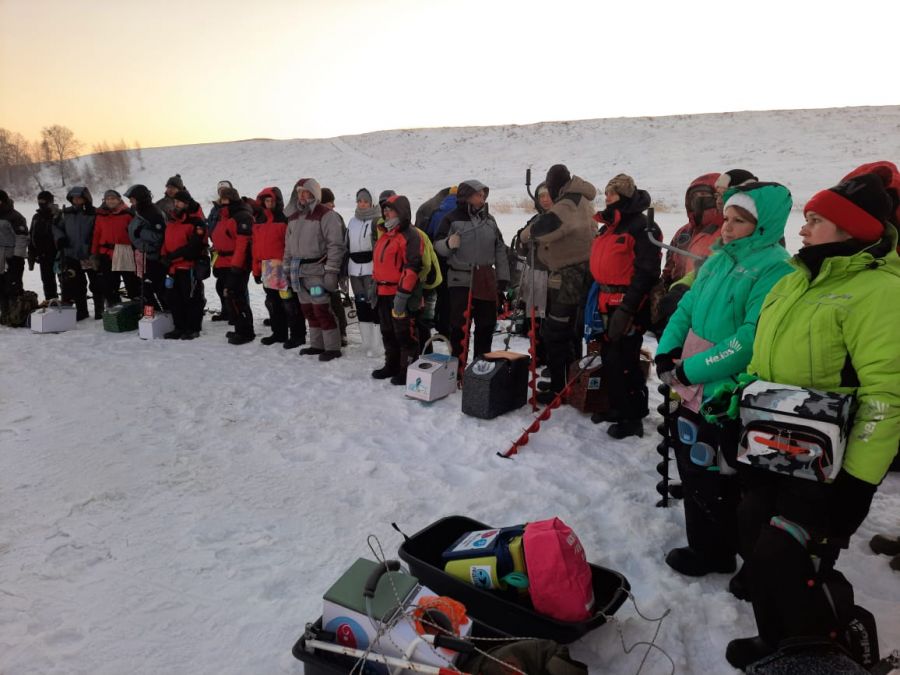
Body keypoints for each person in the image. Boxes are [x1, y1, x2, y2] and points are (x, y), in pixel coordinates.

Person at [726, 172, 900, 670]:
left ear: (848, 230)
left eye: (816, 221)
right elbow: (762, 363)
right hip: (769, 445)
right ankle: (773, 640)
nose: (803, 231)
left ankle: (817, 652)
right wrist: (733, 411)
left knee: (787, 556)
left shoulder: (879, 292)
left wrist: (857, 485)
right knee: (754, 536)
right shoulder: (795, 279)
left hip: (826, 463)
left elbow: (887, 397)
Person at [655, 182, 793, 578]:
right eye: (727, 218)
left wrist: (689, 370)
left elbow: (748, 340)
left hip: (724, 391)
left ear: (763, 224)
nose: (727, 228)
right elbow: (687, 307)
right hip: (690, 384)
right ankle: (705, 546)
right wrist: (667, 351)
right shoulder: (716, 260)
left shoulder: (775, 269)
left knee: (718, 474)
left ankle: (721, 551)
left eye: (739, 221)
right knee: (691, 463)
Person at [588, 173, 661, 438]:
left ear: (625, 195)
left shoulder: (641, 227)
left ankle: (634, 416)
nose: (606, 197)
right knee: (609, 358)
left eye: (612, 193)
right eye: (606, 192)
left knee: (626, 360)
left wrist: (629, 308)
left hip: (628, 302)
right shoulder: (608, 226)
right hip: (605, 300)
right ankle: (617, 407)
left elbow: (647, 271)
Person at [517, 165, 597, 403]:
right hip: (578, 274)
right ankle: (569, 381)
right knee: (568, 331)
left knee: (556, 333)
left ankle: (559, 388)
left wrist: (524, 235)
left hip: (568, 278)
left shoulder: (567, 203)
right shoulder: (581, 198)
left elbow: (547, 227)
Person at [433, 179, 509, 363]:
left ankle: (480, 369)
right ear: (466, 196)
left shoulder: (490, 221)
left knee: (486, 326)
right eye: (478, 194)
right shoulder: (451, 218)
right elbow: (437, 245)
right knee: (459, 328)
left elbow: (499, 248)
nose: (482, 198)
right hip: (460, 280)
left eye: (483, 195)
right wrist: (448, 244)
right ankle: (457, 370)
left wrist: (503, 278)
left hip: (485, 280)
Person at [283, 178, 347, 361]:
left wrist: (331, 271)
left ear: (314, 193)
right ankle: (317, 345)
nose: (302, 196)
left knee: (321, 309)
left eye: (306, 191)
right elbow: (288, 246)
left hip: (317, 272)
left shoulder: (326, 215)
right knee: (308, 310)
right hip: (298, 272)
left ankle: (332, 347)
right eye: (299, 192)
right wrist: (286, 269)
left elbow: (336, 245)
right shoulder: (293, 218)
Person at [653, 173, 724, 333]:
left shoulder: (726, 232)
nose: (699, 200)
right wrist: (662, 290)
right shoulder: (683, 232)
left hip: (707, 305)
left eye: (705, 195)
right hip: (675, 301)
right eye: (695, 195)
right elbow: (670, 264)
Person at [371, 194, 425, 384]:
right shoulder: (385, 234)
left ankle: (407, 370)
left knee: (405, 334)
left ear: (401, 212)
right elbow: (379, 264)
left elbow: (412, 267)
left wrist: (403, 295)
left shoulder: (410, 235)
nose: (385, 213)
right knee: (388, 332)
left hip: (401, 293)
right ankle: (391, 365)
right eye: (384, 210)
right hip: (383, 292)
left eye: (390, 209)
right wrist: (374, 284)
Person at [252, 186, 305, 348]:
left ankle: (297, 335)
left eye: (271, 200)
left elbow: (292, 244)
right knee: (273, 303)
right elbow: (255, 247)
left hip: (283, 266)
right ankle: (279, 333)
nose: (268, 203)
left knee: (289, 303)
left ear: (277, 201)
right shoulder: (259, 220)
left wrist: (291, 266)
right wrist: (256, 269)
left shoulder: (285, 219)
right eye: (265, 201)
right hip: (267, 267)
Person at [159, 190, 208, 339]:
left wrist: (172, 257)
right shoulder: (172, 222)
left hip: (188, 267)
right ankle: (179, 327)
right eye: (175, 202)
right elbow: (166, 241)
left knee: (192, 299)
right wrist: (163, 256)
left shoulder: (196, 222)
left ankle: (193, 328)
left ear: (186, 203)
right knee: (174, 299)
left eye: (179, 202)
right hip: (173, 268)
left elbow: (194, 247)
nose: (176, 205)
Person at [53, 186, 98, 320]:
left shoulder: (93, 213)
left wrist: (93, 240)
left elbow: (99, 228)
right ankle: (82, 311)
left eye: (79, 198)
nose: (77, 200)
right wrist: (60, 237)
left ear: (86, 198)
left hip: (89, 253)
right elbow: (55, 227)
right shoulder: (66, 213)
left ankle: (99, 311)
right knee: (77, 284)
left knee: (96, 284)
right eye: (74, 198)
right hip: (71, 253)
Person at [347, 188, 382, 357]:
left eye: (365, 201)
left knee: (373, 303)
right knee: (361, 304)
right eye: (359, 201)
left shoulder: (377, 221)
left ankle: (377, 345)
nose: (362, 204)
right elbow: (347, 245)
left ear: (372, 203)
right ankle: (366, 342)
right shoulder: (352, 222)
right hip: (355, 269)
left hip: (371, 268)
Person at [218, 187, 256, 345]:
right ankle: (240, 328)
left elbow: (243, 244)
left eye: (224, 199)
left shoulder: (241, 216)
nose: (221, 202)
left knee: (235, 296)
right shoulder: (229, 215)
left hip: (239, 264)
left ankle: (246, 331)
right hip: (229, 261)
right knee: (230, 295)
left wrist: (236, 266)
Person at [92, 189, 140, 308]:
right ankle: (114, 309)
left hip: (124, 251)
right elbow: (96, 234)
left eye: (113, 198)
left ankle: (135, 308)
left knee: (131, 283)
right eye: (108, 199)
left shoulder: (127, 214)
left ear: (119, 200)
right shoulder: (100, 215)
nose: (110, 201)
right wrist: (94, 253)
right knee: (109, 284)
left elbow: (134, 234)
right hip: (105, 252)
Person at [125, 184, 167, 312]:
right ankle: (150, 315)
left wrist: (140, 233)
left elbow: (160, 235)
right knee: (145, 288)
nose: (130, 201)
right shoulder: (140, 210)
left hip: (153, 257)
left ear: (139, 198)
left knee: (155, 288)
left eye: (132, 198)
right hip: (143, 254)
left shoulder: (152, 212)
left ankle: (165, 313)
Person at [321, 187, 349, 347]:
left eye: (332, 202)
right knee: (321, 299)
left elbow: (341, 243)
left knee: (333, 297)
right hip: (319, 266)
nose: (333, 205)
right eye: (329, 203)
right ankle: (328, 332)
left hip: (332, 265)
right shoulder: (316, 217)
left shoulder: (335, 217)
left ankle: (341, 331)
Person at [0, 190, 29, 324]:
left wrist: (18, 257)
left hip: (12, 256)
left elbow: (22, 237)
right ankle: (4, 314)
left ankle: (15, 315)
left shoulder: (15, 217)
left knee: (13, 286)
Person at [27, 190, 60, 304]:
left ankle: (66, 304)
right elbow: (31, 235)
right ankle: (52, 303)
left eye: (44, 201)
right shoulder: (36, 217)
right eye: (39, 201)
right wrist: (31, 253)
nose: (41, 203)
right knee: (47, 281)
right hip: (42, 255)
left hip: (58, 254)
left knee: (64, 280)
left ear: (51, 201)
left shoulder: (58, 214)